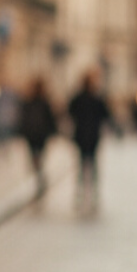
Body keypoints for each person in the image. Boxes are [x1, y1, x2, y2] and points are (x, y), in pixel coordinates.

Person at [67, 69, 112, 213]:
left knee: (81, 166)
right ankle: (93, 193)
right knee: (92, 165)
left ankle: (80, 194)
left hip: (81, 136)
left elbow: (69, 112)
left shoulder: (78, 98)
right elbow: (106, 115)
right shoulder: (96, 98)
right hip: (93, 137)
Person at [18, 76, 57, 195]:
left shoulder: (34, 102)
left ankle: (39, 177)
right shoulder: (38, 102)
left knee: (36, 158)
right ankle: (39, 177)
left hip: (35, 134)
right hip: (38, 134)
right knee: (38, 157)